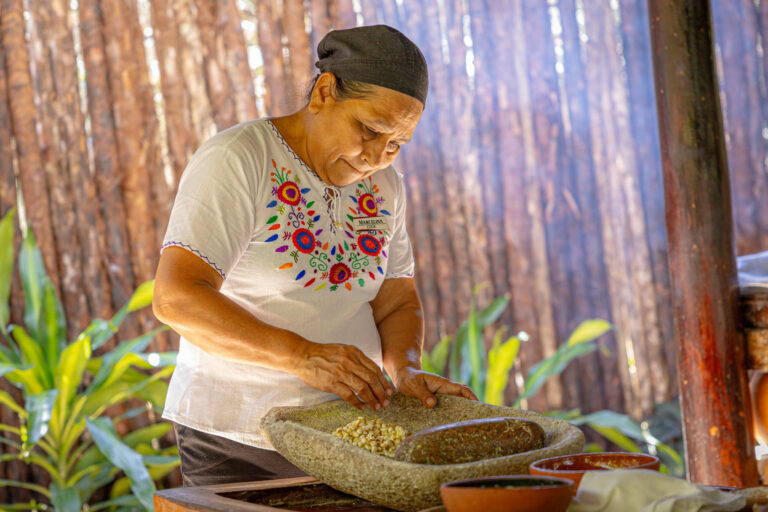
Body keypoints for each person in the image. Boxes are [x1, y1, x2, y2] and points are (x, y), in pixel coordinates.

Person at [152, 24, 477, 487]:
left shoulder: (386, 186)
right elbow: (176, 299)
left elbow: (396, 301)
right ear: (324, 92)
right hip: (241, 438)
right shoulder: (240, 158)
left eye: (396, 144)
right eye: (369, 130)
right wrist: (301, 356)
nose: (377, 156)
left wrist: (404, 369)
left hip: (353, 435)